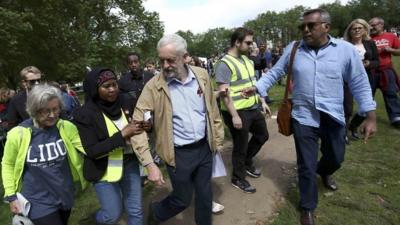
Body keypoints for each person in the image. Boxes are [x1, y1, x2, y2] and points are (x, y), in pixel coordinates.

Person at [243, 9, 376, 225]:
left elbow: (359, 82)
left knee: (336, 157)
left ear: (326, 27)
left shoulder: (345, 50)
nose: (305, 30)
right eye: (302, 26)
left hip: (333, 116)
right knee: (306, 164)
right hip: (303, 117)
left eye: (311, 26)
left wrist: (370, 116)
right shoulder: (294, 49)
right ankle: (307, 207)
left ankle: (324, 171)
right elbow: (276, 71)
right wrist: (257, 88)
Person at [131, 34, 224, 225]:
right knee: (182, 199)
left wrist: (218, 138)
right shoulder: (153, 87)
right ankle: (156, 213)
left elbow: (212, 110)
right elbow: (137, 126)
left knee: (205, 196)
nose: (165, 65)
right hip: (178, 155)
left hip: (205, 148)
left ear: (185, 57)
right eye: (161, 60)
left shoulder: (202, 76)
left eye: (170, 60)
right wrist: (149, 164)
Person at [72, 68, 163, 225]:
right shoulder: (84, 114)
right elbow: (92, 151)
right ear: (95, 89)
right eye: (106, 86)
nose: (113, 89)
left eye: (114, 84)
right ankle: (95, 219)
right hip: (103, 169)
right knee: (112, 215)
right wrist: (122, 135)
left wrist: (145, 126)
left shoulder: (126, 101)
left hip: (129, 163)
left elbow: (136, 126)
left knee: (135, 210)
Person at [2, 84, 87, 225]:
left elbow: (87, 148)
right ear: (34, 110)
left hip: (64, 194)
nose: (53, 115)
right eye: (46, 111)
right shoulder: (18, 134)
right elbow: (8, 164)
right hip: (37, 201)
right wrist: (11, 196)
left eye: (55, 109)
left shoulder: (66, 127)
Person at [215, 27, 270, 194]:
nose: (251, 45)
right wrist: (234, 116)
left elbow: (252, 82)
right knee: (240, 145)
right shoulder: (224, 64)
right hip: (237, 111)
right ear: (237, 42)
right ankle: (238, 178)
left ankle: (246, 162)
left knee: (263, 135)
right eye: (248, 42)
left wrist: (262, 101)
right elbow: (224, 94)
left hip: (252, 107)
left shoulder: (247, 60)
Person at [343, 19, 380, 140]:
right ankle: (343, 134)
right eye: (354, 28)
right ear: (350, 31)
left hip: (367, 79)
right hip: (347, 80)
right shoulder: (344, 45)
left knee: (366, 108)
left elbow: (377, 62)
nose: (357, 30)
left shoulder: (370, 43)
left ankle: (353, 126)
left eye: (360, 28)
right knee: (347, 107)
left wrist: (369, 63)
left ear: (365, 30)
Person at [368, 17, 400, 127]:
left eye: (374, 25)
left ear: (381, 25)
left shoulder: (391, 36)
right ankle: (366, 117)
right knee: (367, 95)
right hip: (370, 71)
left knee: (390, 94)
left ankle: (396, 118)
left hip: (386, 71)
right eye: (370, 25)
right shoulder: (367, 38)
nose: (371, 27)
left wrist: (390, 50)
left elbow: (399, 51)